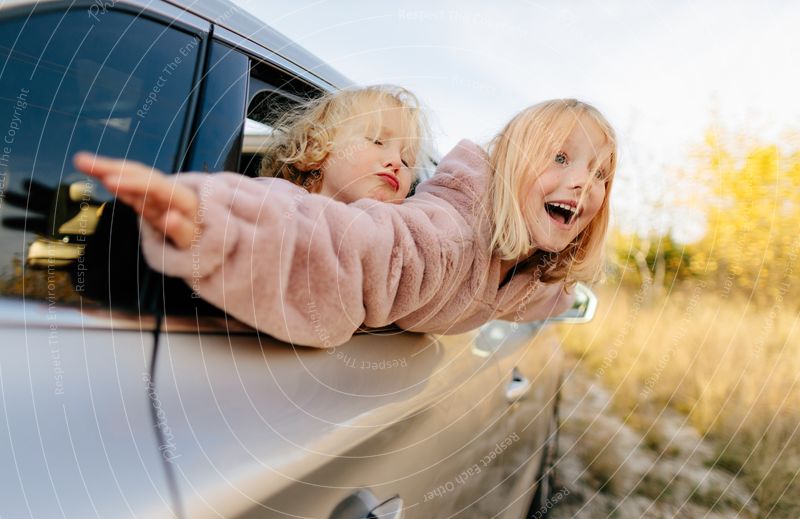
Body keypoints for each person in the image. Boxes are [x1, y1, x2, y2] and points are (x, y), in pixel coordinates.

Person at [73, 97, 616, 348]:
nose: (582, 185)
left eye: (599, 175)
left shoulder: (532, 273)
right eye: (561, 159)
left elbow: (544, 296)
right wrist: (216, 224)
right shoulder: (447, 235)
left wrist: (570, 299)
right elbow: (362, 246)